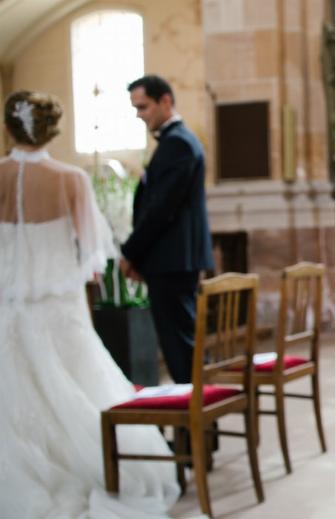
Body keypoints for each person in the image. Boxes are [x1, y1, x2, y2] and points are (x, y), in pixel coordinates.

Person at [0, 91, 179, 517]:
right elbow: (92, 258)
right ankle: (99, 471)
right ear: (53, 128)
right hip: (59, 308)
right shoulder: (71, 179)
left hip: (7, 305)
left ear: (10, 127)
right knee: (79, 389)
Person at [121, 75, 214, 385]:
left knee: (180, 350)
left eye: (143, 107)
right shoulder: (177, 141)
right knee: (180, 347)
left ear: (165, 101)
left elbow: (161, 209)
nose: (139, 115)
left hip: (172, 262)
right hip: (173, 260)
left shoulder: (178, 144)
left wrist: (130, 252)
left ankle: (196, 423)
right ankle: (198, 423)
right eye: (135, 108)